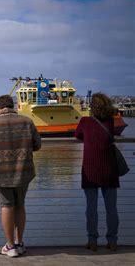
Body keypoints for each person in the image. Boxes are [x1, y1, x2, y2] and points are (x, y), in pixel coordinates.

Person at [0, 95, 41, 257]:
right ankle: (19, 242)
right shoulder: (27, 121)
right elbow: (37, 144)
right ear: (12, 105)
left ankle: (10, 246)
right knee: (20, 205)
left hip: (0, 173)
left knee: (6, 206)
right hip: (23, 171)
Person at [75, 92, 119, 252]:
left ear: (92, 107)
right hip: (110, 169)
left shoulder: (85, 121)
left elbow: (78, 135)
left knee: (91, 208)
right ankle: (112, 241)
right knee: (111, 208)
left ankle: (92, 240)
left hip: (90, 169)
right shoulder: (110, 121)